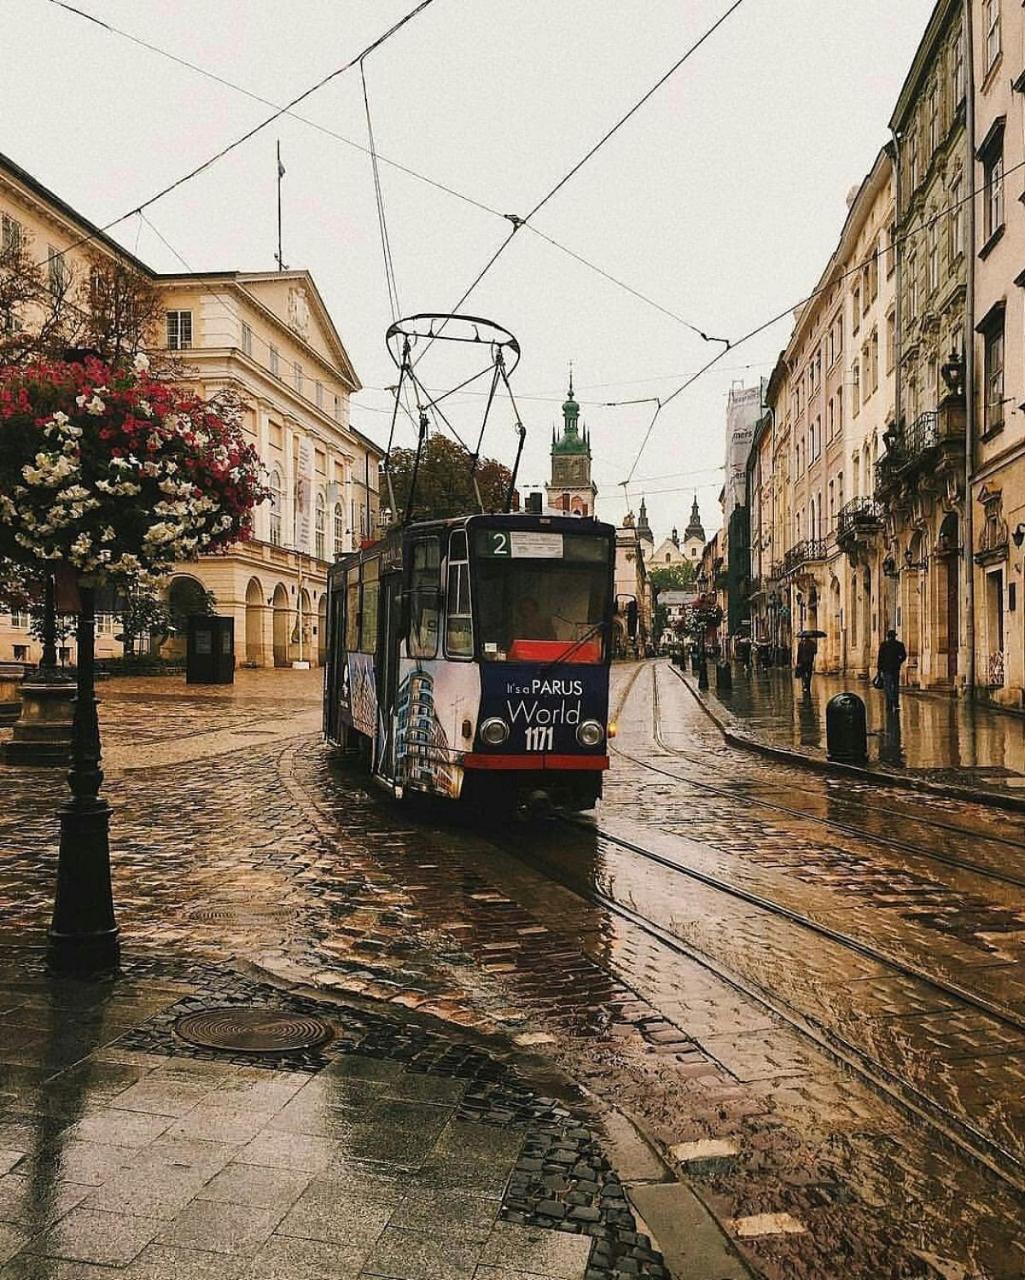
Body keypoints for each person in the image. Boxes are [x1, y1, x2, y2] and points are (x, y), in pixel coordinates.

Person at [877, 629, 907, 713]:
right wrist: (898, 662)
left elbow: (880, 658)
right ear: (894, 636)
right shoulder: (899, 645)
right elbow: (904, 656)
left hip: (886, 669)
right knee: (895, 686)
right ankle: (896, 703)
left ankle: (889, 703)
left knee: (888, 687)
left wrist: (879, 670)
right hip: (895, 668)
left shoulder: (883, 645)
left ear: (888, 636)